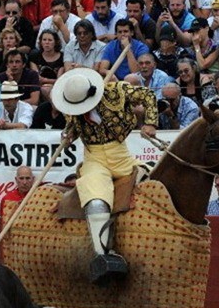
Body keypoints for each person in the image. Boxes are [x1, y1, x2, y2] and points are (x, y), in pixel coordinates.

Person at [51, 68, 158, 281]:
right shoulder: (70, 105)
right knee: (96, 199)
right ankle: (103, 257)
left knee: (155, 180)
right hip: (94, 159)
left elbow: (148, 95)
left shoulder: (118, 90)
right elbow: (71, 126)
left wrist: (150, 122)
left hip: (122, 156)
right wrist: (69, 134)